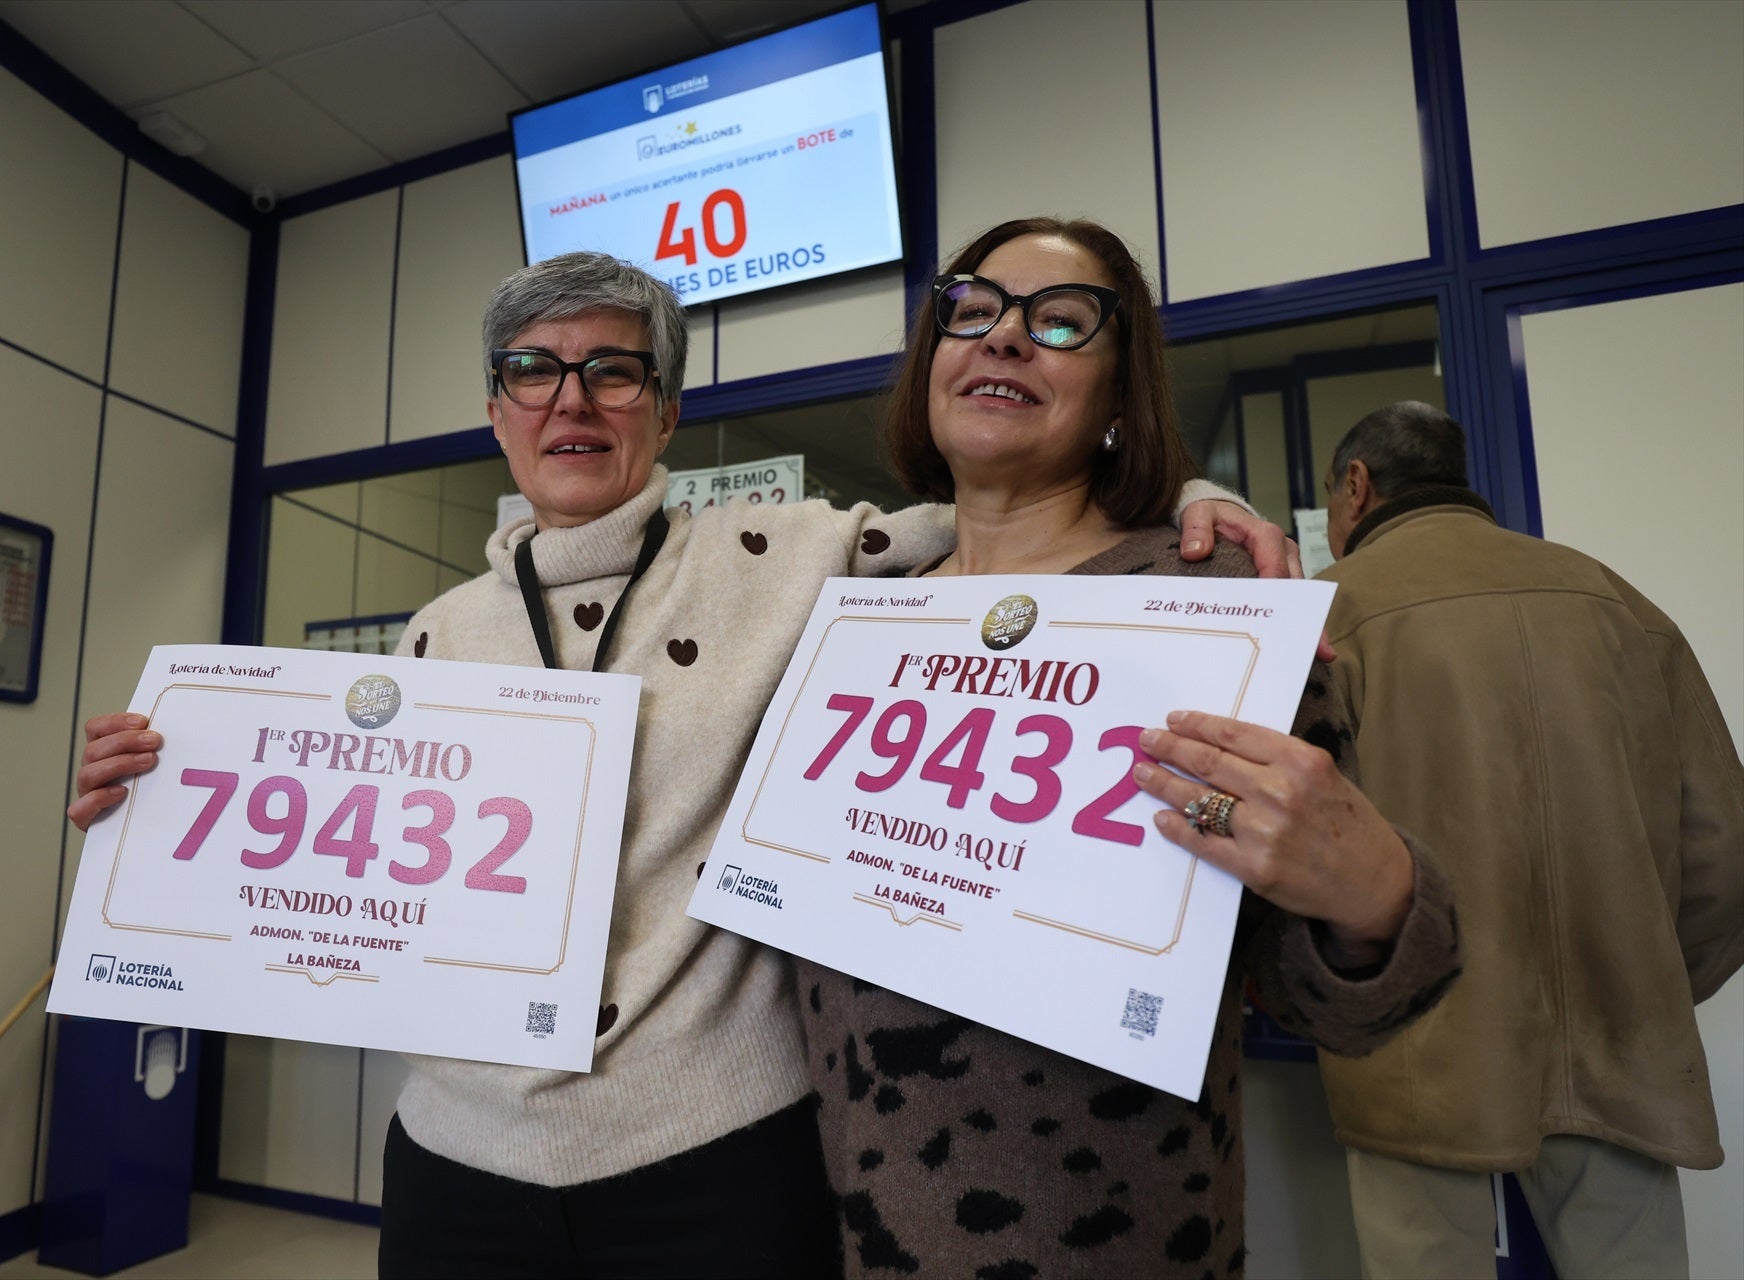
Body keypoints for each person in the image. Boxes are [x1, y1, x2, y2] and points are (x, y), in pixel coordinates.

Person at [67, 250, 1300, 1278]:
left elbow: (1003, 521)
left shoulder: (795, 551)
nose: (573, 401)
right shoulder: (434, 631)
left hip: (720, 1151)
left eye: (615, 370)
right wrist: (166, 789)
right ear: (496, 410)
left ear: (664, 412)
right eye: (533, 372)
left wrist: (1185, 490)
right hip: (453, 1155)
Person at [796, 219, 1463, 1278]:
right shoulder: (859, 612)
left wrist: (1377, 897)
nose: (1005, 337)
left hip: (1100, 1230)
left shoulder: (1212, 603)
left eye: (1061, 321)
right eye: (973, 310)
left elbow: (1302, 979)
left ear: (1120, 398)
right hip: (833, 1213)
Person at [1312, 401, 1742, 1280]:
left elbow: (1303, 843)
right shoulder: (1616, 597)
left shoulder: (1330, 616)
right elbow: (1726, 848)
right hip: (1620, 1031)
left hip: (1417, 1045)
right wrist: (1645, 980)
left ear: (1356, 487)